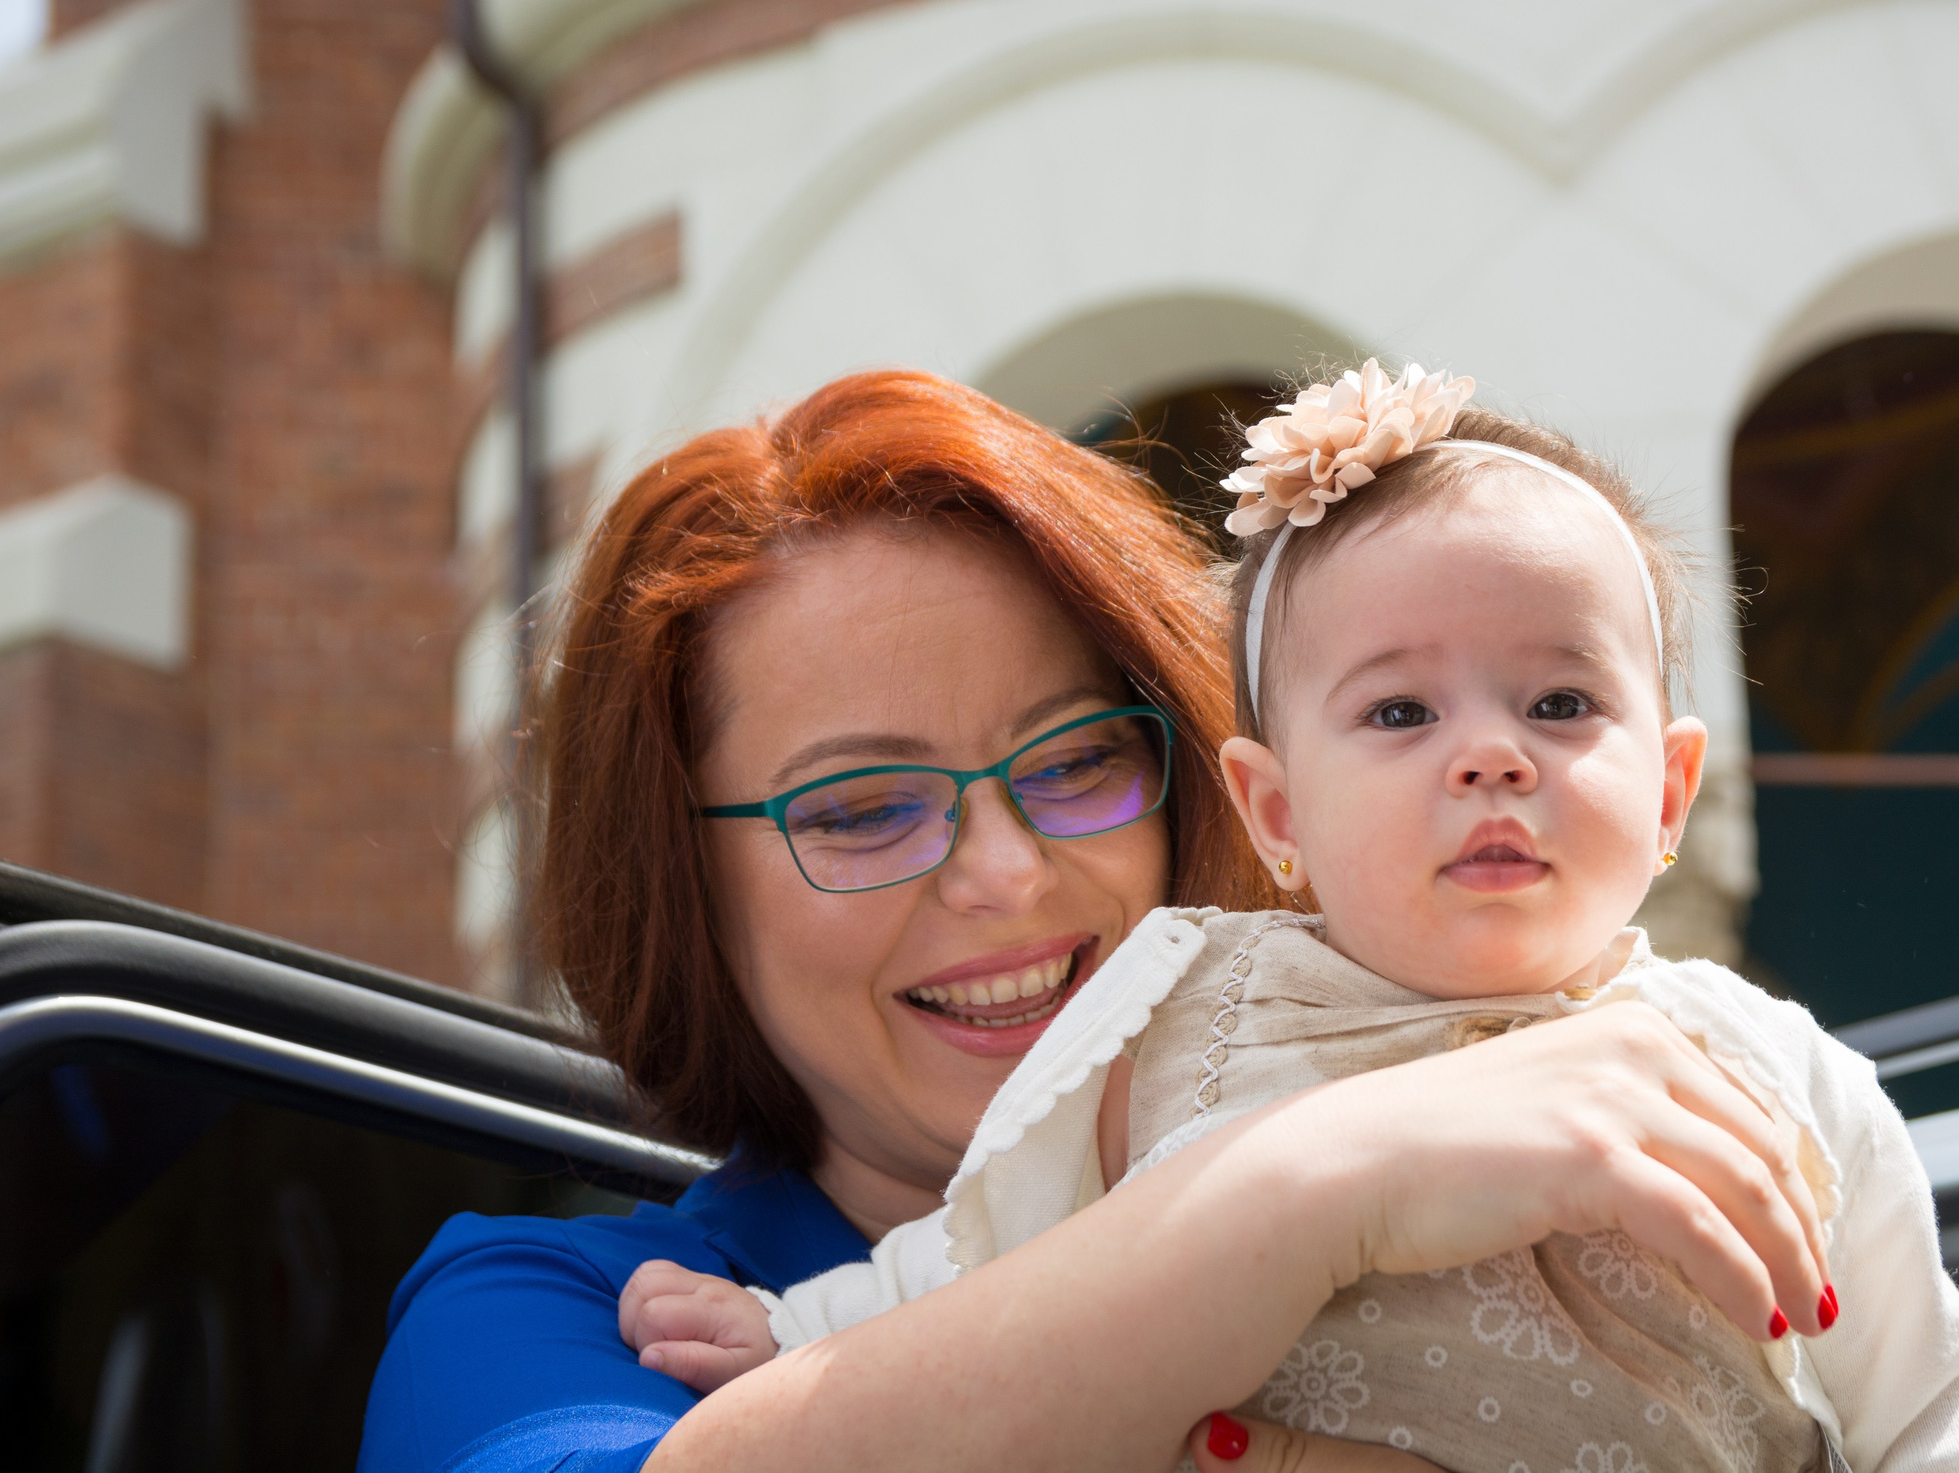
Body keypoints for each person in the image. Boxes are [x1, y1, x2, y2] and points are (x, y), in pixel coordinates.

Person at [358, 370, 1839, 1473]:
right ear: (682, 892)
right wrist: (1319, 1186)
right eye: (862, 808)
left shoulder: (1588, 1155)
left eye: (1077, 764)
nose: (1004, 875)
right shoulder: (568, 1318)